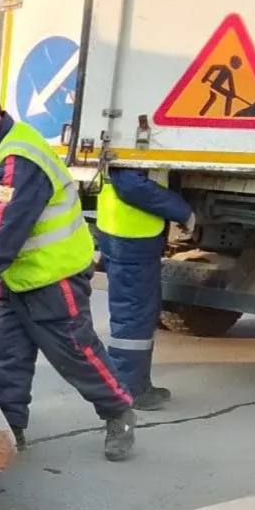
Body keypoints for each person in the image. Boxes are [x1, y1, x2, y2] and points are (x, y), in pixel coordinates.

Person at [0, 77, 137, 461]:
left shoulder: (18, 161)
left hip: (54, 276)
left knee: (76, 352)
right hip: (22, 277)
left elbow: (4, 232)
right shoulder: (5, 150)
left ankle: (118, 412)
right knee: (8, 356)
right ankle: (12, 429)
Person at [96, 167, 194, 411]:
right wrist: (182, 210)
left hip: (129, 235)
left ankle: (137, 384)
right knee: (133, 317)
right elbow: (131, 184)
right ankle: (128, 390)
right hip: (130, 238)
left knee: (139, 315)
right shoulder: (130, 145)